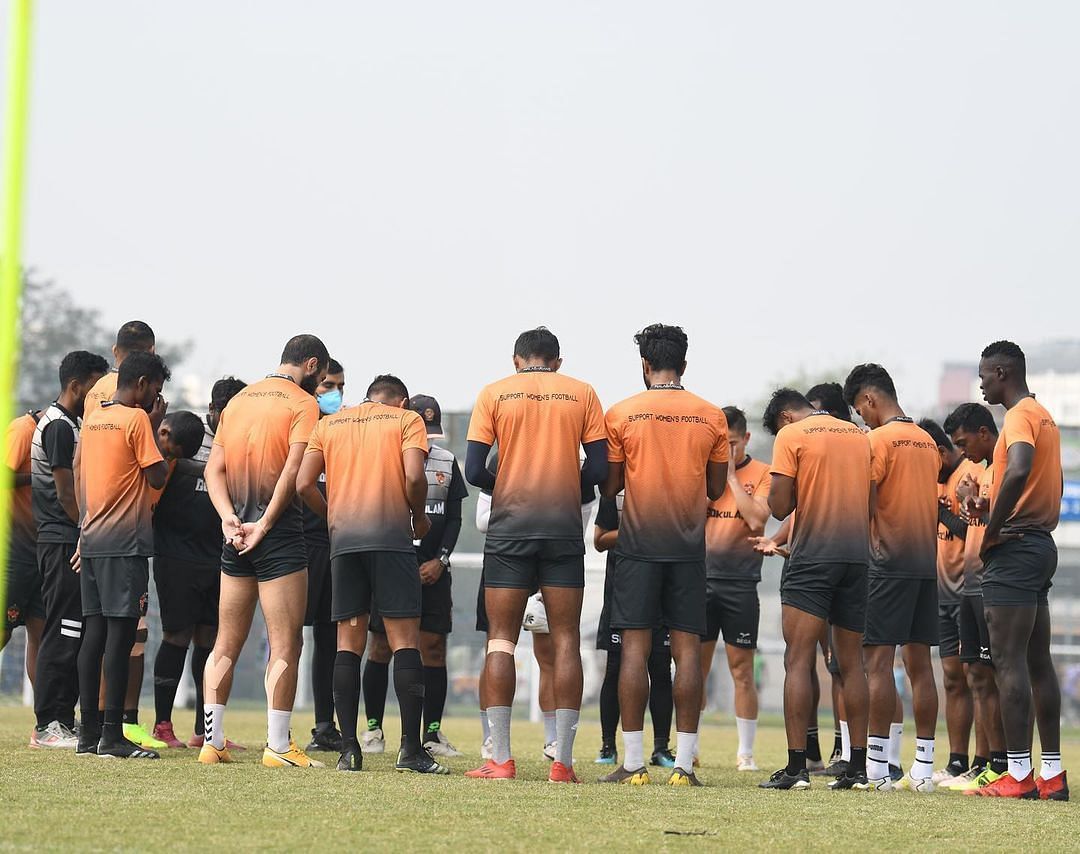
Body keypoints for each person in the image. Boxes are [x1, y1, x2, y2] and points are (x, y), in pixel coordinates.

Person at [463, 327, 607, 783]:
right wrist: (565, 487)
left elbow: (472, 470)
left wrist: (508, 487)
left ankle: (501, 759)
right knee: (565, 640)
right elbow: (600, 469)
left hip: (510, 532)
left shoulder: (494, 394)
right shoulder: (582, 393)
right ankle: (562, 763)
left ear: (516, 360)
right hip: (562, 531)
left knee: (502, 640)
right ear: (558, 362)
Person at [298, 374, 448, 775]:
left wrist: (333, 516)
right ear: (400, 402)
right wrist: (417, 517)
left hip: (344, 544)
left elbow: (302, 483)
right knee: (404, 642)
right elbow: (415, 477)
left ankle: (349, 751)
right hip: (391, 540)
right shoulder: (405, 421)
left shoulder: (329, 423)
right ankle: (410, 751)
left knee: (349, 643)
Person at [600, 323, 728, 787]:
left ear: (645, 365)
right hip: (689, 549)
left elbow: (610, 486)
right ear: (685, 364)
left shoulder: (622, 413)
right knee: (687, 652)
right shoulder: (711, 416)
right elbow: (716, 489)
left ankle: (633, 763)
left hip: (636, 546)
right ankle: (685, 767)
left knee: (634, 651)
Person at [197, 334, 328, 768]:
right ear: (311, 365)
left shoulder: (238, 401)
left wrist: (227, 518)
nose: (322, 386)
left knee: (225, 641)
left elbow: (214, 468)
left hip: (234, 536)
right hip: (278, 535)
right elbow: (293, 470)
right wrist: (265, 523)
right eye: (323, 377)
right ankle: (277, 745)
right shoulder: (302, 404)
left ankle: (211, 743)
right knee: (285, 642)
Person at [756, 388, 871, 791]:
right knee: (853, 662)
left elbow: (779, 507)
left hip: (813, 557)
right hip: (858, 557)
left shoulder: (793, 435)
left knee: (798, 660)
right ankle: (858, 768)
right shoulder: (859, 434)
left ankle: (796, 768)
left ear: (786, 417)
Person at [973, 341, 1066, 800]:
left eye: (985, 375)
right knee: (1037, 662)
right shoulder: (1044, 415)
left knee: (1007, 662)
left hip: (1015, 546)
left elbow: (1021, 468)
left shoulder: (1018, 416)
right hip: (1040, 544)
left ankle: (1018, 774)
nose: (982, 383)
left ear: (1003, 372)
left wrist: (991, 531)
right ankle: (1052, 775)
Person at [74, 352, 177, 758]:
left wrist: (82, 527)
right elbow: (156, 474)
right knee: (121, 638)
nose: (156, 398)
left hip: (93, 539)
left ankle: (88, 734)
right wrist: (152, 427)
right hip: (126, 544)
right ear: (142, 383)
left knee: (93, 633)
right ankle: (113, 734)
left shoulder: (95, 417)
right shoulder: (136, 420)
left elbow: (82, 470)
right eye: (155, 390)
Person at [842, 364, 940, 792]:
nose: (861, 418)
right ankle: (924, 768)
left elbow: (864, 507)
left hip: (886, 564)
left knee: (876, 663)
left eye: (859, 410)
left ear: (868, 399)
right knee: (920, 665)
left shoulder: (875, 442)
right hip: (925, 565)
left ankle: (878, 769)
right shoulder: (928, 442)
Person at [360, 393, 468, 760]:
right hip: (391, 565)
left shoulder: (448, 463)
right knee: (381, 646)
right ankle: (373, 728)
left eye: (431, 433)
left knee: (433, 649)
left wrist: (440, 559)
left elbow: (453, 519)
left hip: (435, 572)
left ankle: (432, 733)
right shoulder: (385, 457)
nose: (427, 440)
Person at [150, 378, 247, 749]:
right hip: (176, 554)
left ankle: (204, 730)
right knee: (176, 635)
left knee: (210, 639)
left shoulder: (241, 444)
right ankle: (162, 724)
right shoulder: (187, 436)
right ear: (214, 411)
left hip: (219, 556)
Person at [30, 350, 109, 749]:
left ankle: (65, 717)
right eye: (94, 387)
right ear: (76, 386)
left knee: (73, 629)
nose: (97, 396)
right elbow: (64, 492)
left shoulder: (73, 424)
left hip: (71, 538)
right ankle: (48, 725)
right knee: (61, 629)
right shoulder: (59, 427)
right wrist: (86, 531)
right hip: (62, 539)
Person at [941, 402, 1009, 792]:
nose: (963, 452)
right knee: (976, 677)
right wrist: (969, 502)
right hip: (970, 584)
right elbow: (978, 523)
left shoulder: (1004, 467)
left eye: (965, 443)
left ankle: (1002, 764)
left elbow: (1000, 521)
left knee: (995, 677)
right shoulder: (980, 472)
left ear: (984, 433)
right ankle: (985, 765)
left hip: (989, 583)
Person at [701, 406, 769, 772]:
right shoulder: (702, 470)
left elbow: (758, 519)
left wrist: (729, 478)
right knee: (694, 667)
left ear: (745, 439)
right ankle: (688, 747)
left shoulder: (761, 474)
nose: (726, 451)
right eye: (720, 444)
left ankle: (745, 752)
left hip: (741, 583)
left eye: (731, 444)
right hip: (701, 581)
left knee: (742, 669)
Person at [593, 491, 675, 768]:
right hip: (621, 594)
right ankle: (608, 746)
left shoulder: (670, 485)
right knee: (615, 667)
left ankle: (661, 748)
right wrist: (636, 530)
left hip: (663, 596)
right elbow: (599, 541)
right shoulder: (614, 492)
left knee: (661, 669)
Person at [919, 417, 981, 785]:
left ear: (940, 451)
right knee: (953, 679)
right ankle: (957, 761)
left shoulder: (969, 473)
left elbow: (964, 527)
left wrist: (937, 507)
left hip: (968, 590)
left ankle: (984, 760)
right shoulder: (935, 480)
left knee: (976, 677)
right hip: (942, 592)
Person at [303, 358, 346, 754]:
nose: (335, 392)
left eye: (340, 386)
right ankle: (275, 728)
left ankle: (324, 726)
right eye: (329, 384)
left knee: (329, 638)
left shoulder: (345, 427)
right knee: (284, 638)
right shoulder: (296, 423)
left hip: (335, 544)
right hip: (298, 541)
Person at [3, 409, 44, 693]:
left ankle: (46, 719)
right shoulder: (23, 430)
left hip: (44, 551)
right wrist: (38, 476)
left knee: (41, 636)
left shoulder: (72, 432)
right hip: (13, 548)